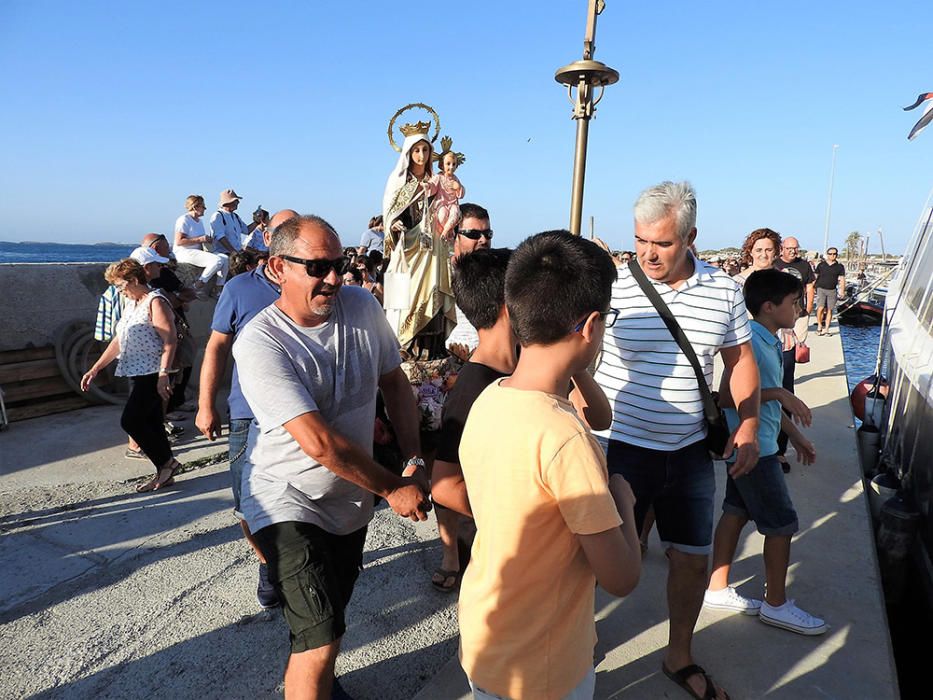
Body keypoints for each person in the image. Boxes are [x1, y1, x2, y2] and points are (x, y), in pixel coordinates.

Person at [232, 215, 431, 699]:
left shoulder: (361, 306)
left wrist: (414, 458)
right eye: (318, 267)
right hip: (285, 497)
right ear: (279, 268)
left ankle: (317, 679)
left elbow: (395, 383)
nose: (334, 279)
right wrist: (392, 487)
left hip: (348, 499)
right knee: (321, 635)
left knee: (327, 622)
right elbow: (317, 442)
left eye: (339, 265)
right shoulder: (261, 342)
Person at [593, 181, 760, 700]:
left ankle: (678, 655)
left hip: (688, 452)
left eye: (661, 243)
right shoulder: (614, 287)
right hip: (616, 447)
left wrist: (750, 423)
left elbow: (740, 360)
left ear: (691, 236)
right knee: (600, 560)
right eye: (640, 240)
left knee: (690, 559)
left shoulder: (725, 291)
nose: (647, 253)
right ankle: (580, 645)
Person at [457, 231, 641, 700]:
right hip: (544, 666)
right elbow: (621, 578)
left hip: (486, 636)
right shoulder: (565, 439)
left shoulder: (488, 400)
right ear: (593, 325)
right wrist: (624, 499)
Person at [705, 269, 825, 635]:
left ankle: (717, 587)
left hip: (764, 443)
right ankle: (776, 603)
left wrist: (798, 437)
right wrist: (781, 394)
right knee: (782, 524)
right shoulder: (752, 342)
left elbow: (766, 404)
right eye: (793, 302)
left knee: (736, 512)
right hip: (754, 448)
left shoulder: (770, 339)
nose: (801, 308)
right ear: (769, 306)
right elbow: (729, 396)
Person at [195, 208, 297, 610]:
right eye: (279, 232)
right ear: (266, 238)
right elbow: (217, 346)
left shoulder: (312, 284)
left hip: (304, 411)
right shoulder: (239, 288)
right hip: (247, 414)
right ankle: (268, 564)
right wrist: (206, 405)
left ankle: (301, 561)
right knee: (247, 500)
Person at [81, 259, 181, 492]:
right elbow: (118, 341)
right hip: (136, 371)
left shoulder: (156, 302)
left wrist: (164, 375)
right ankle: (166, 470)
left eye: (120, 285)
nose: (119, 290)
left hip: (153, 372)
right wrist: (95, 368)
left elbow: (170, 339)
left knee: (131, 421)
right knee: (152, 422)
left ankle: (167, 464)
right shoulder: (131, 303)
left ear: (135, 280)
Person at [382, 129, 456, 353]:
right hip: (408, 250)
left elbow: (450, 204)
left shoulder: (436, 181)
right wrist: (393, 226)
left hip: (432, 250)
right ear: (408, 153)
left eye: (425, 150)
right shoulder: (398, 181)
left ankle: (432, 350)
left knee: (434, 294)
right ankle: (405, 347)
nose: (421, 155)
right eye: (416, 150)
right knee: (405, 300)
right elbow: (389, 212)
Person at [444, 203, 493, 359]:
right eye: (474, 234)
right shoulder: (440, 276)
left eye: (488, 234)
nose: (483, 240)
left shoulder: (498, 274)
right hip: (453, 361)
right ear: (453, 236)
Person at [173, 194, 229, 295]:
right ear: (195, 207)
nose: (205, 208)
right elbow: (179, 241)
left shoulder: (199, 221)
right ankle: (199, 284)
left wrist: (207, 240)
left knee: (225, 258)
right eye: (203, 206)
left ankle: (218, 288)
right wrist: (200, 239)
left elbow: (200, 239)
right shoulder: (184, 219)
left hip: (197, 250)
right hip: (184, 252)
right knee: (217, 260)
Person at [424, 149, 465, 241]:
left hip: (452, 204)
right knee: (442, 215)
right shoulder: (439, 177)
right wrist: (427, 185)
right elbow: (432, 186)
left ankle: (446, 231)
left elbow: (461, 195)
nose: (451, 167)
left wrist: (458, 187)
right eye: (448, 164)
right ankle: (447, 231)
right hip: (441, 205)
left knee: (454, 214)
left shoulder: (455, 179)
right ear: (442, 165)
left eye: (454, 164)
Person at [209, 189, 254, 256]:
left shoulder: (235, 216)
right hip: (223, 254)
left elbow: (246, 230)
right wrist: (234, 253)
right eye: (235, 201)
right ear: (227, 203)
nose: (238, 202)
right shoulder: (218, 216)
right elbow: (220, 237)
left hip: (236, 253)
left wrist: (257, 221)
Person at [814, 247, 846, 335]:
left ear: (837, 255)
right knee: (820, 308)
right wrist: (812, 287)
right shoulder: (821, 265)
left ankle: (827, 329)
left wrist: (842, 290)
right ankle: (819, 326)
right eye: (830, 254)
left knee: (829, 310)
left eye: (834, 254)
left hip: (832, 290)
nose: (832, 255)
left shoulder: (839, 267)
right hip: (821, 288)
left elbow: (842, 279)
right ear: (827, 255)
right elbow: (815, 276)